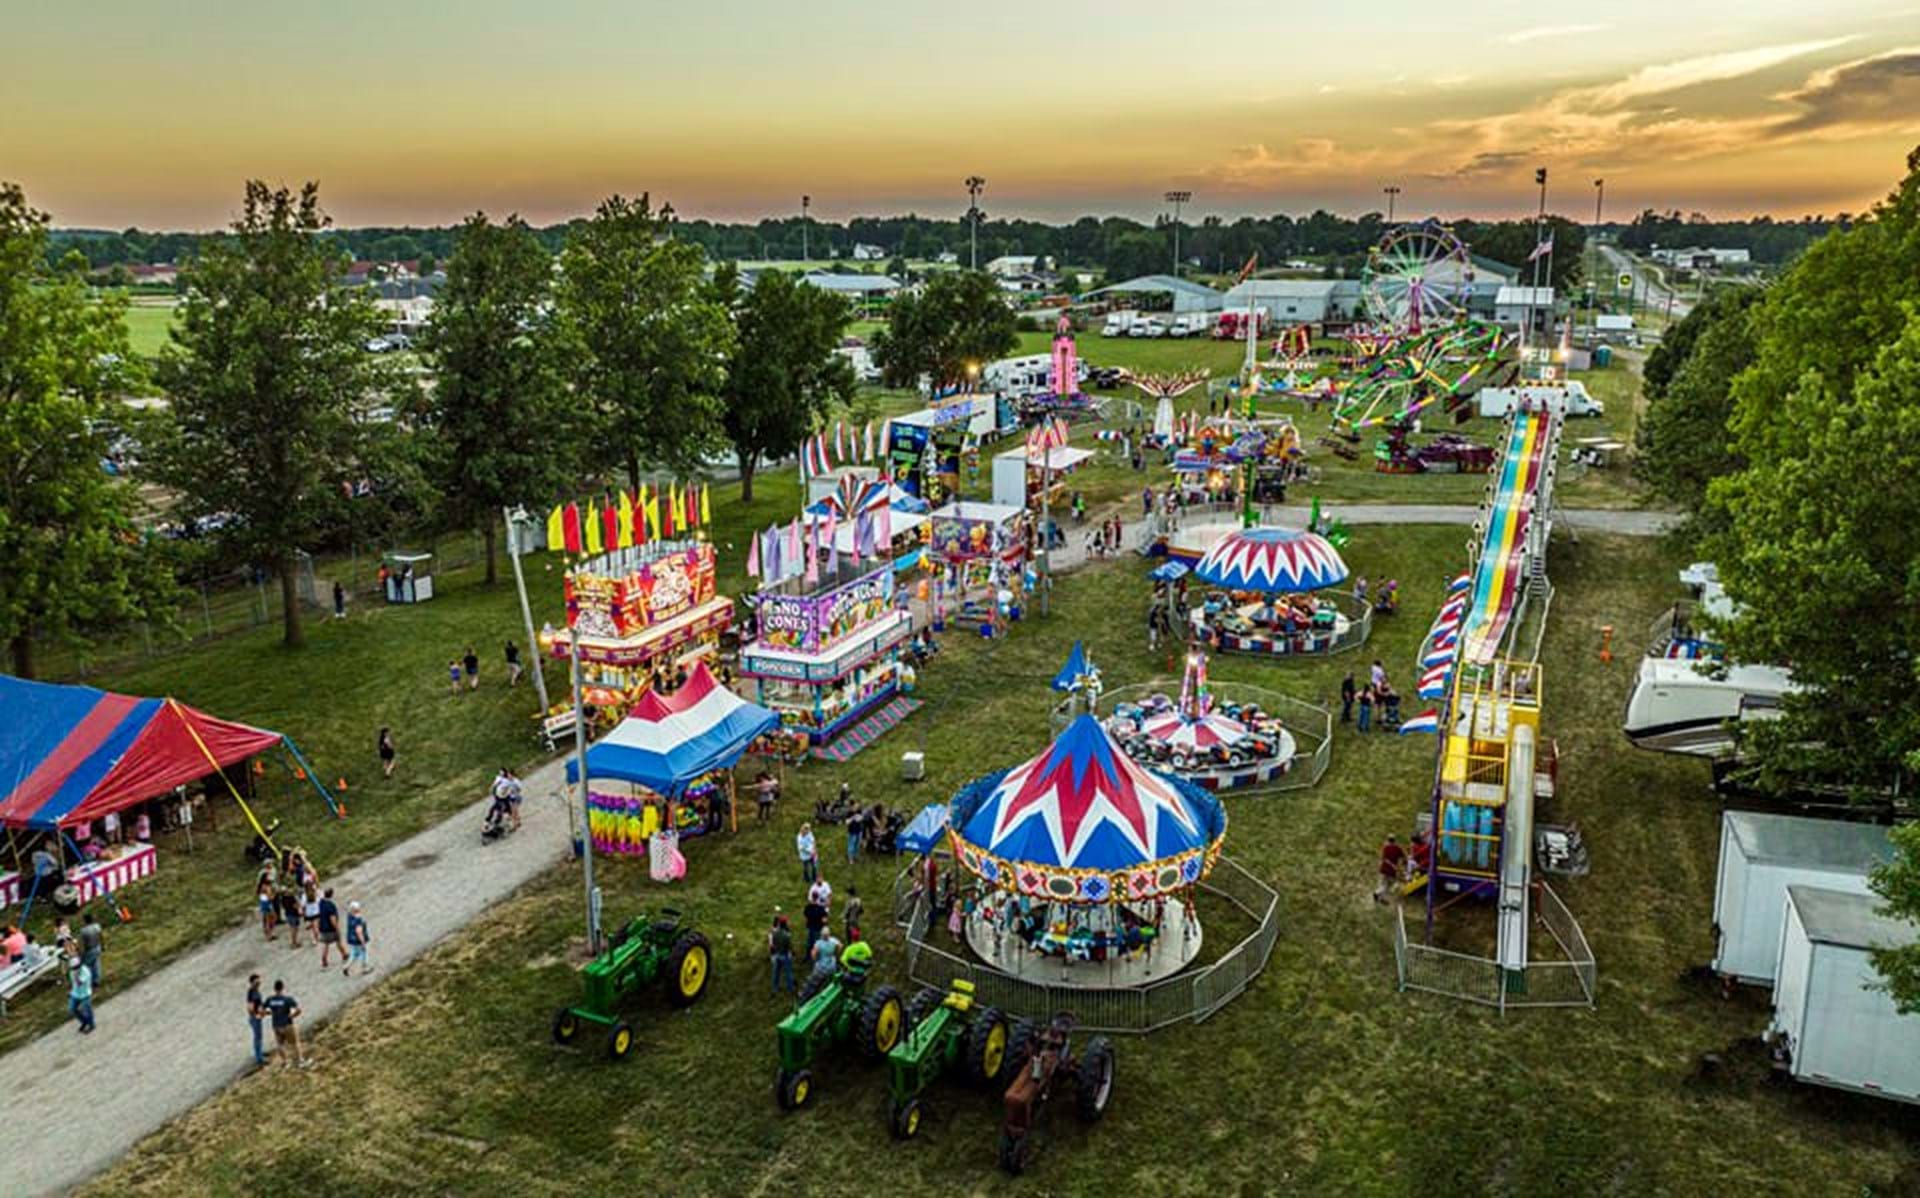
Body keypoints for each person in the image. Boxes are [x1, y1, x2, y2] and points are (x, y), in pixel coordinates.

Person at [264, 979, 311, 1069]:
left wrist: (270, 1013)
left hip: (276, 1025)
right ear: (282, 988)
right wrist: (291, 1016)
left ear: (274, 988)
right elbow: (298, 1010)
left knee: (280, 1044)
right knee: (295, 1043)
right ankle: (301, 1061)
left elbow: (261, 1010)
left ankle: (285, 1062)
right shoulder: (287, 999)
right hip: (287, 1024)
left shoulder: (270, 999)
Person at [315, 887, 344, 968]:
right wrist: (337, 928)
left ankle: (324, 959)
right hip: (331, 928)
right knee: (338, 941)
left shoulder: (321, 903)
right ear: (332, 895)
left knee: (326, 944)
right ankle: (344, 954)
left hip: (323, 927)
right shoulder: (331, 905)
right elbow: (332, 918)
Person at [767, 913, 795, 996]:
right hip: (785, 955)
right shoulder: (787, 935)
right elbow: (789, 947)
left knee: (776, 973)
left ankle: (775, 988)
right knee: (788, 973)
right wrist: (792, 952)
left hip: (777, 955)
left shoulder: (774, 933)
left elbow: (773, 944)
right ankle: (790, 989)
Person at [68, 952, 95, 1034]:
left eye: (75, 967)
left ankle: (91, 1024)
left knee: (87, 1009)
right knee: (72, 1009)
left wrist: (76, 975)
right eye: (73, 968)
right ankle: (84, 1021)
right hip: (75, 993)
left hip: (85, 994)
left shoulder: (85, 971)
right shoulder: (72, 971)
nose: (74, 969)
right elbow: (73, 982)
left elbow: (79, 983)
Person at [1376, 835, 1407, 904]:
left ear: (1388, 840)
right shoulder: (1398, 848)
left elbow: (1382, 858)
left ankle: (1378, 894)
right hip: (1391, 870)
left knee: (1383, 883)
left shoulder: (1385, 847)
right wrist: (1404, 865)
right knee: (1391, 884)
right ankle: (1380, 895)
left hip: (1383, 868)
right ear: (1394, 840)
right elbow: (1404, 857)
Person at [246, 973, 269, 1066]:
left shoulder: (255, 991)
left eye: (259, 980)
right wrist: (256, 1015)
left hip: (257, 1016)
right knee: (257, 1037)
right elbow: (250, 1007)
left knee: (259, 1036)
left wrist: (263, 1011)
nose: (259, 982)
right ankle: (259, 1058)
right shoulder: (252, 992)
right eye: (257, 981)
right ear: (252, 982)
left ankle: (259, 1052)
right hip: (255, 1018)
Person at [77, 910, 104, 988]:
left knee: (86, 966)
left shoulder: (83, 931)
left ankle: (88, 981)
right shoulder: (97, 926)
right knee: (96, 964)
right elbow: (101, 936)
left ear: (85, 921)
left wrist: (81, 953)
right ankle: (96, 980)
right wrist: (103, 945)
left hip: (89, 950)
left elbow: (82, 944)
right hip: (97, 947)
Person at [344, 901, 371, 976]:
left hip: (351, 939)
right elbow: (359, 931)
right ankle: (365, 968)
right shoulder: (358, 919)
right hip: (358, 940)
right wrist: (363, 943)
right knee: (364, 953)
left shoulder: (349, 916)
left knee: (354, 954)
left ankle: (346, 967)